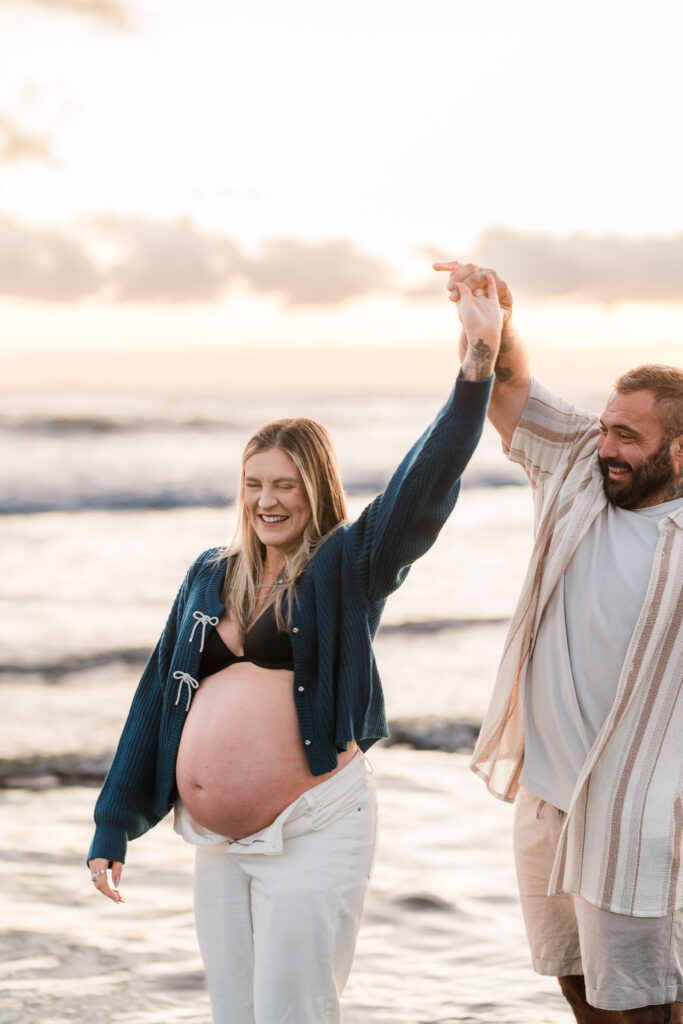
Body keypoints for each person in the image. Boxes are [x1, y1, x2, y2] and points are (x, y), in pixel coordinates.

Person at [87, 277, 503, 1024]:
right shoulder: (210, 574)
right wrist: (113, 820)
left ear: (316, 489)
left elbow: (423, 484)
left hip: (313, 828)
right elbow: (158, 695)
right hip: (217, 843)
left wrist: (477, 360)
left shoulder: (349, 565)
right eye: (253, 484)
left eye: (285, 484)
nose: (266, 501)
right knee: (236, 1014)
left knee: (293, 1012)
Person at [434, 259, 683, 1023]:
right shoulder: (575, 466)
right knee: (574, 984)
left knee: (647, 1002)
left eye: (626, 436)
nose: (604, 444)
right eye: (605, 424)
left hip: (639, 810)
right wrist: (492, 320)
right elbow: (507, 388)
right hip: (546, 798)